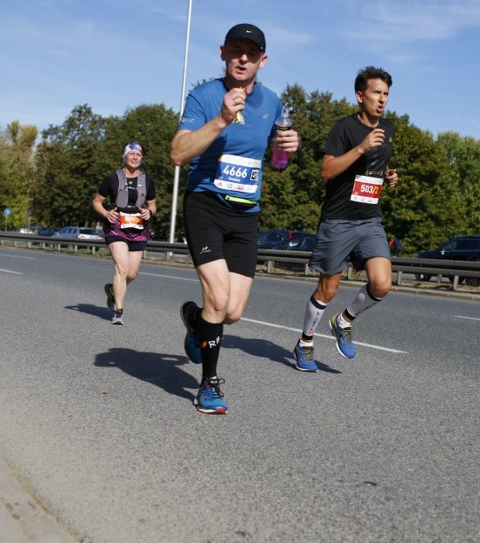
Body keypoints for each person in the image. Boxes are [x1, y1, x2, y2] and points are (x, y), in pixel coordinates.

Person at [170, 23, 300, 414]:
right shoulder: (204, 96)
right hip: (206, 205)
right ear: (223, 52)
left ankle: (195, 321)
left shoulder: (273, 102)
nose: (243, 58)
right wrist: (222, 119)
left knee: (233, 312)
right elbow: (178, 153)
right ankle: (208, 385)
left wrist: (288, 151)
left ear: (264, 60)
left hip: (246, 214)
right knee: (219, 297)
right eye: (236, 50)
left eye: (252, 52)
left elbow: (274, 162)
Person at [291, 67, 398, 372]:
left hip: (370, 219)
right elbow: (326, 171)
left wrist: (387, 175)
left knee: (382, 283)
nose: (382, 100)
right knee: (328, 288)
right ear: (360, 95)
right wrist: (361, 147)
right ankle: (305, 342)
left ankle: (344, 320)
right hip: (339, 218)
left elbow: (375, 165)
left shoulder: (388, 128)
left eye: (386, 94)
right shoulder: (344, 128)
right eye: (376, 93)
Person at [91, 141, 157, 325]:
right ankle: (118, 311)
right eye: (132, 154)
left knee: (132, 274)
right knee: (121, 267)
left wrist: (149, 212)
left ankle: (113, 290)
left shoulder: (147, 180)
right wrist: (106, 213)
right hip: (116, 227)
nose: (135, 157)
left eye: (139, 154)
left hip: (138, 227)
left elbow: (153, 205)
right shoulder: (113, 178)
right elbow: (96, 201)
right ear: (125, 156)